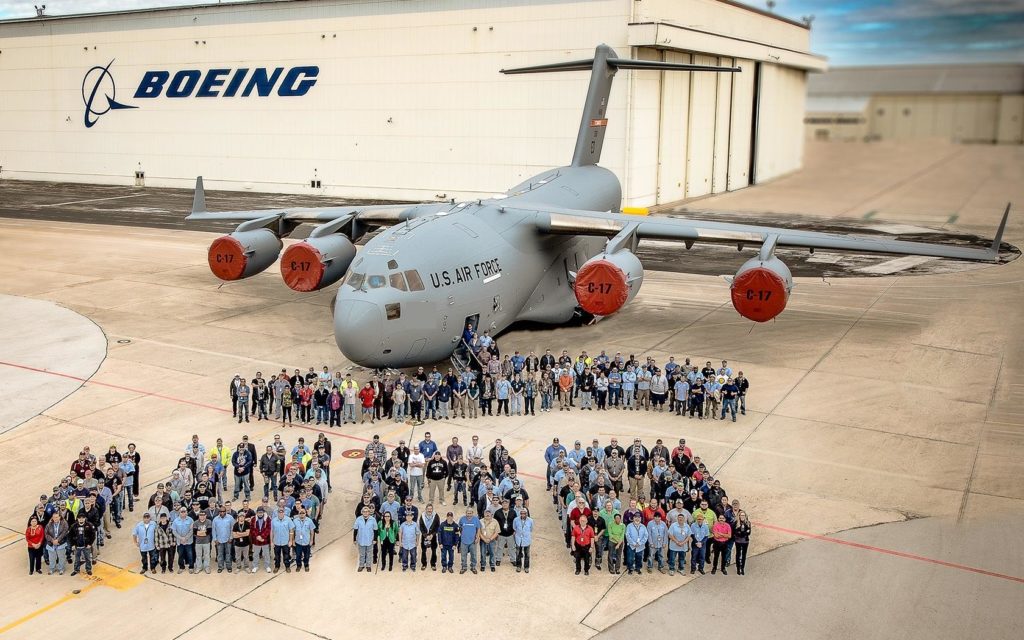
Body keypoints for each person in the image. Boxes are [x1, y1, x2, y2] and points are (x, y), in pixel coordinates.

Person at [353, 506, 378, 572]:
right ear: (362, 512)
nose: (365, 513)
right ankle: (361, 565)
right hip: (361, 539)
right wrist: (354, 539)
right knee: (362, 554)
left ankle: (368, 566)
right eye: (364, 511)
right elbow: (355, 529)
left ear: (369, 512)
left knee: (369, 554)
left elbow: (375, 530)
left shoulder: (373, 519)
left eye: (367, 511)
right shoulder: (358, 519)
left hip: (370, 540)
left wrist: (375, 539)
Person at [171, 507, 195, 573]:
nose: (183, 513)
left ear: (187, 512)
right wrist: (181, 538)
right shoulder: (176, 521)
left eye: (184, 511)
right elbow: (174, 531)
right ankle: (181, 567)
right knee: (180, 555)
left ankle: (191, 567)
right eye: (182, 512)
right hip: (180, 541)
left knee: (190, 554)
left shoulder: (190, 520)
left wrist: (186, 538)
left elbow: (192, 530)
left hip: (188, 541)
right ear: (179, 512)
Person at [271, 507, 294, 573]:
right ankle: (277, 566)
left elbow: (291, 530)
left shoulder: (288, 520)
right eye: (279, 512)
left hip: (285, 542)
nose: (281, 513)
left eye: (282, 512)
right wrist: (271, 542)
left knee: (286, 556)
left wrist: (290, 541)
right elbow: (271, 532)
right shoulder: (273, 521)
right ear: (277, 513)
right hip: (277, 542)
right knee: (277, 556)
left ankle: (287, 566)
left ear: (284, 512)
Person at [250, 506, 273, 573]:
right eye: (259, 512)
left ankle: (267, 566)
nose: (260, 514)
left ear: (263, 512)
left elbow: (268, 529)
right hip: (256, 540)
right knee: (255, 554)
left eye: (261, 512)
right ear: (256, 513)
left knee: (266, 554)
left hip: (264, 540)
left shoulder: (268, 519)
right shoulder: (253, 519)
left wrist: (262, 537)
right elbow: (252, 529)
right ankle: (255, 566)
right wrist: (257, 536)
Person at [458, 508, 480, 574]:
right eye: (468, 513)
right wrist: (462, 535)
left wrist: (477, 537)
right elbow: (460, 528)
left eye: (470, 513)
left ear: (472, 513)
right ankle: (464, 567)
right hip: (464, 540)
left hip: (473, 541)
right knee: (463, 555)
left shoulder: (476, 519)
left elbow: (478, 528)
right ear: (466, 513)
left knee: (473, 555)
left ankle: (473, 567)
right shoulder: (462, 519)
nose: (469, 514)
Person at [513, 508, 533, 573]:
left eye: (524, 513)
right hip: (518, 539)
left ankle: (526, 567)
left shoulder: (530, 520)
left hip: (527, 539)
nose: (523, 515)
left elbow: (531, 529)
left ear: (527, 513)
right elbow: (514, 528)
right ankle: (518, 566)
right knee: (518, 553)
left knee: (527, 554)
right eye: (521, 513)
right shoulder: (516, 520)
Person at [733, 509, 751, 575]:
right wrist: (743, 532)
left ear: (745, 516)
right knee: (738, 554)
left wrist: (742, 533)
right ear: (739, 516)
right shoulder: (736, 523)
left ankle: (742, 568)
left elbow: (749, 532)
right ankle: (738, 568)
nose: (742, 516)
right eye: (741, 515)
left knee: (744, 554)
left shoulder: (748, 523)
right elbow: (735, 533)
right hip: (738, 541)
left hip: (745, 541)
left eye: (743, 515)